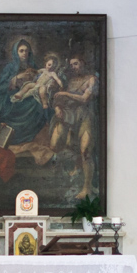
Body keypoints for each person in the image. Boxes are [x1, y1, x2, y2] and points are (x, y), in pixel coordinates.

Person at [0, 39, 50, 144]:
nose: (24, 53)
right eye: (21, 51)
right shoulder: (10, 67)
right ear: (16, 52)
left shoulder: (32, 65)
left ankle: (29, 132)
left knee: (36, 103)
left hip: (30, 93)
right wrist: (17, 78)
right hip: (12, 93)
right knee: (11, 104)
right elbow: (1, 85)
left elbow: (40, 79)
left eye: (26, 50)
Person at [51, 55, 99, 199]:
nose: (73, 67)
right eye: (71, 65)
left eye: (76, 64)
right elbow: (60, 99)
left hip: (85, 117)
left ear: (83, 63)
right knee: (55, 144)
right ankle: (76, 165)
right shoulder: (70, 81)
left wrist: (66, 93)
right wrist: (58, 107)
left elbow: (85, 99)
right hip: (69, 116)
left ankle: (87, 188)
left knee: (85, 151)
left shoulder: (92, 80)